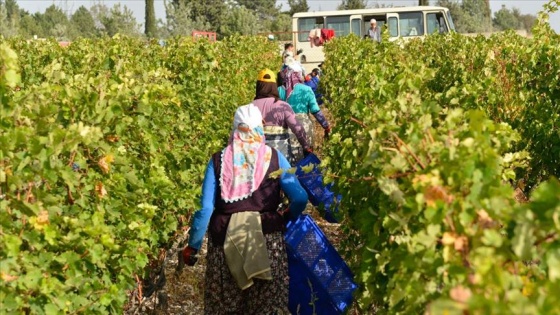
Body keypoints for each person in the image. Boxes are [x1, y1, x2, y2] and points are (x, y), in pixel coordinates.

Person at [181, 104, 309, 315]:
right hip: (267, 241)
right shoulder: (275, 158)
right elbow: (300, 197)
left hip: (225, 243)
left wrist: (193, 246)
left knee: (225, 305)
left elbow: (205, 209)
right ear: (260, 128)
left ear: (235, 129)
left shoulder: (218, 161)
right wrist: (286, 216)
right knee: (267, 305)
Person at [253, 68, 312, 165]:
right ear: (274, 86)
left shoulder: (250, 108)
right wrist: (306, 146)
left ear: (258, 86)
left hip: (258, 160)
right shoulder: (282, 106)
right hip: (282, 159)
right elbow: (297, 128)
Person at [279, 57, 331, 162]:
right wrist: (326, 126)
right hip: (305, 127)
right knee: (307, 160)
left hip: (286, 128)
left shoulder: (279, 90)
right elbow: (316, 111)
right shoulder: (306, 90)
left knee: (290, 160)